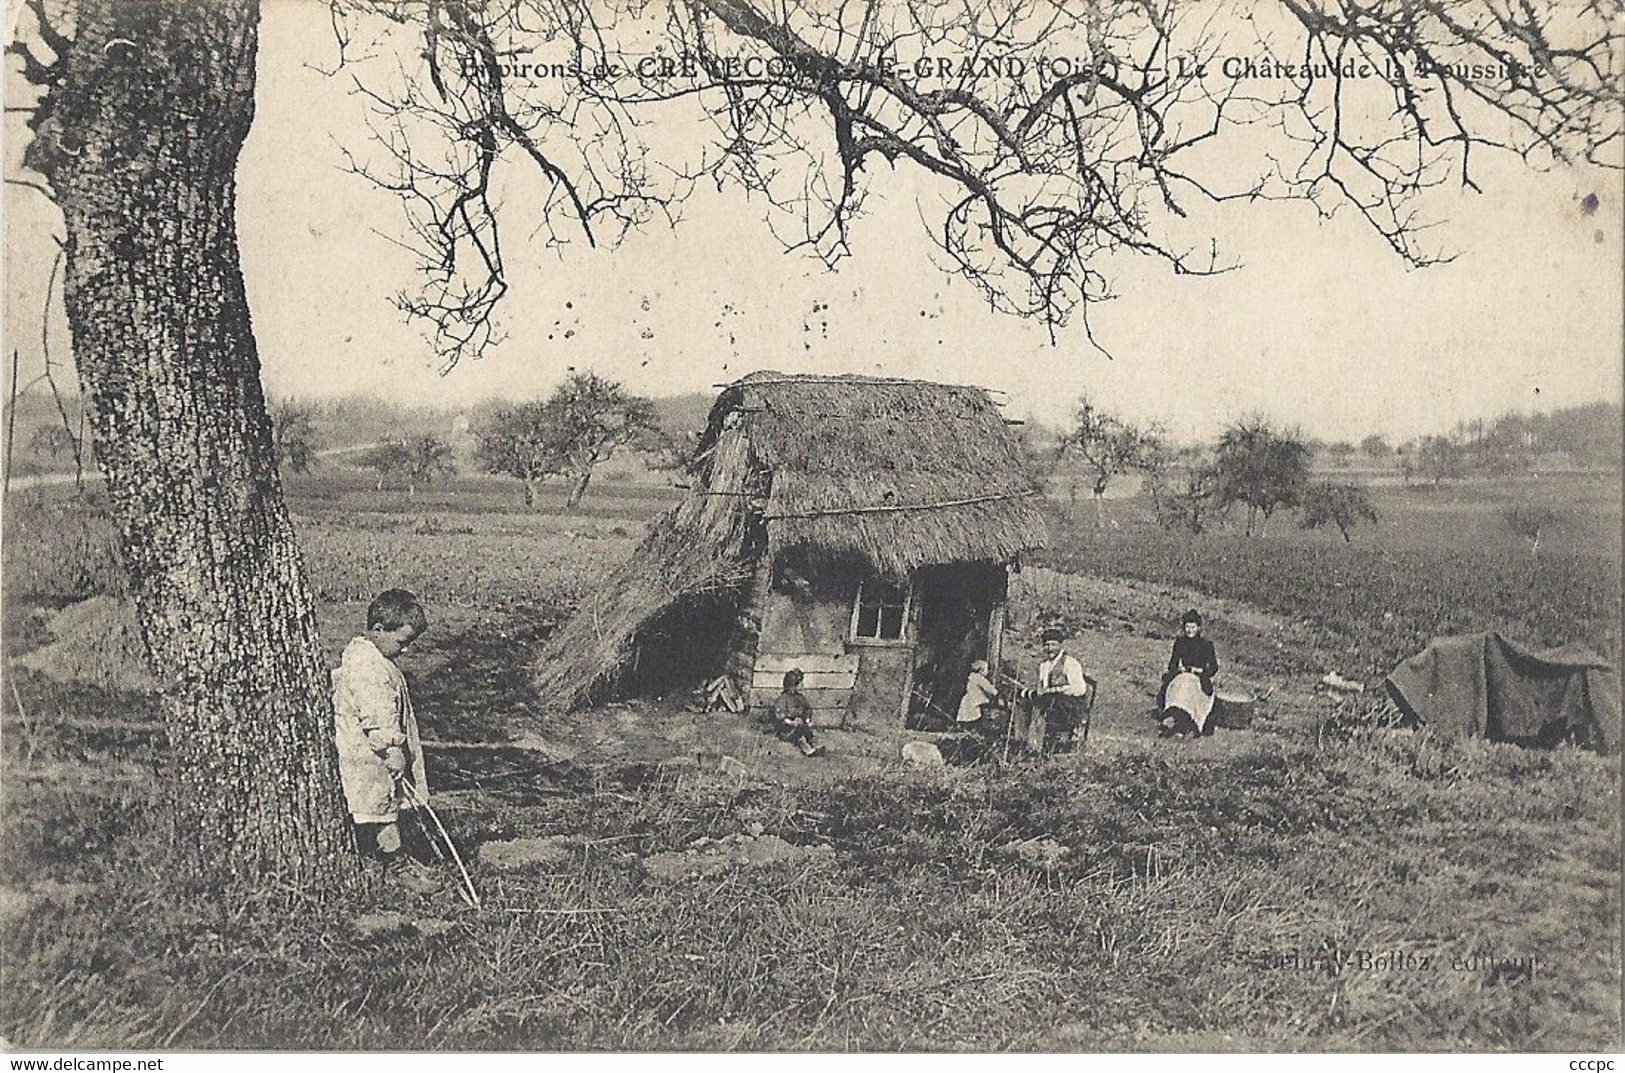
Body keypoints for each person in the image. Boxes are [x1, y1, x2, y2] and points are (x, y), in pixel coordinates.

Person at [333, 588, 440, 891]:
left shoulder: (373, 658)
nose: (406, 650)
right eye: (402, 642)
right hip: (369, 755)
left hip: (372, 752)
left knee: (384, 805)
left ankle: (381, 857)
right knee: (381, 811)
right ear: (379, 630)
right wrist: (392, 748)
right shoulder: (368, 668)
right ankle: (396, 864)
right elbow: (377, 715)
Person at [1023, 627, 1091, 754]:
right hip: (1049, 704)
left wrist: (1057, 690)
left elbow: (1080, 689)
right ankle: (1030, 744)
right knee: (1027, 702)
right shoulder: (1043, 666)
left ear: (1060, 645)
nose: (1050, 649)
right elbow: (1042, 688)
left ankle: (1040, 747)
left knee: (1047, 702)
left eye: (1053, 644)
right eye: (1047, 645)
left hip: (1069, 706)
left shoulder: (1070, 663)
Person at [1160, 609, 1219, 736]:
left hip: (1199, 678)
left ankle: (1188, 721)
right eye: (1187, 627)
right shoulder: (1180, 642)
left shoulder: (1206, 645)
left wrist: (1200, 671)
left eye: (1192, 627)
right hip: (1183, 675)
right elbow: (1172, 664)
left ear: (1198, 628)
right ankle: (1173, 715)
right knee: (1180, 684)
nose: (1189, 630)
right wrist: (1178, 670)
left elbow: (1214, 668)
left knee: (1189, 686)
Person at [772, 668, 823, 757]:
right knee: (799, 734)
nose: (802, 685)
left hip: (800, 724)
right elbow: (779, 716)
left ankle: (814, 744)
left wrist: (807, 719)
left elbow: (807, 710)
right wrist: (792, 722)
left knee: (807, 731)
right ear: (793, 685)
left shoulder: (800, 697)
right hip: (787, 729)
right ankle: (807, 749)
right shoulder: (783, 699)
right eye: (800, 683)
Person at [956, 659, 999, 727]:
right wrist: (995, 692)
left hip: (969, 698)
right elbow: (987, 686)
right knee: (976, 714)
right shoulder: (978, 678)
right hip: (976, 699)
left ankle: (967, 726)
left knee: (967, 714)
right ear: (982, 670)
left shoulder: (972, 677)